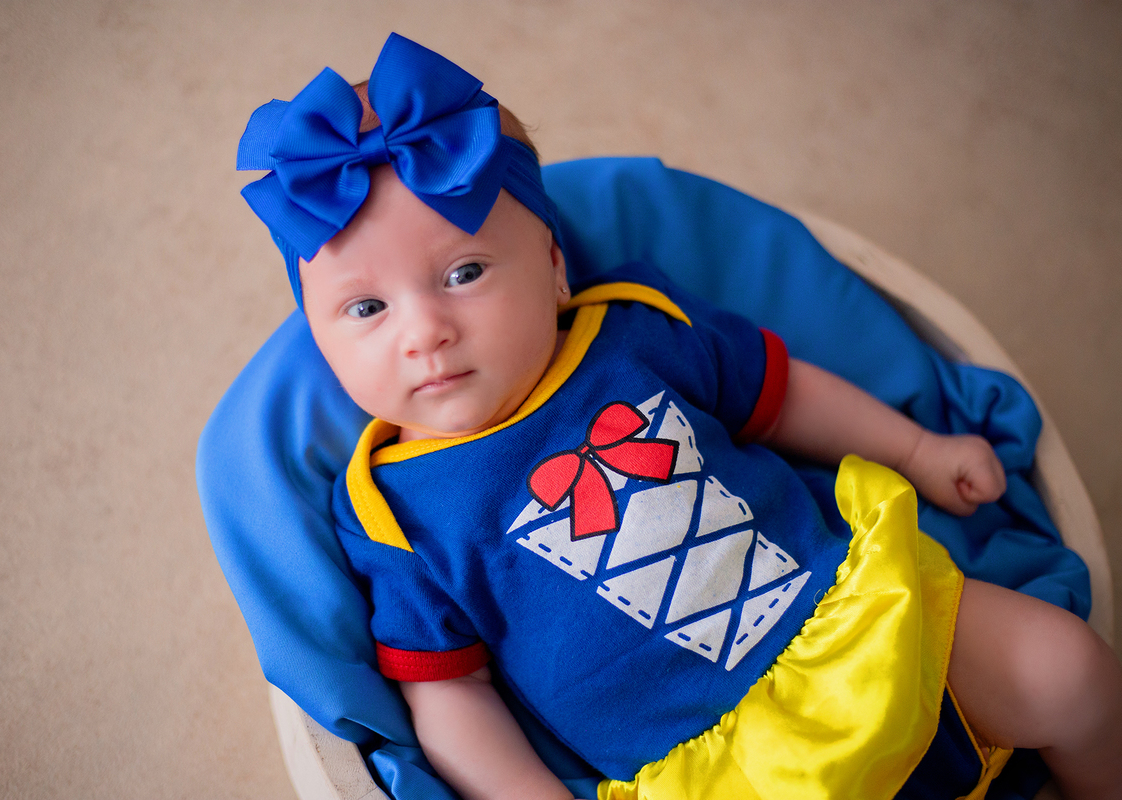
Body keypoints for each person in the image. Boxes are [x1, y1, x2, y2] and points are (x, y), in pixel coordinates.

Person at [236, 33, 1122, 800]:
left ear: (554, 267)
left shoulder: (629, 332)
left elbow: (781, 395)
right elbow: (447, 693)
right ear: (320, 339)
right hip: (712, 768)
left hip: (853, 621)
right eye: (365, 309)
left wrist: (917, 449)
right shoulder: (391, 506)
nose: (424, 331)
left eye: (464, 273)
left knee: (1070, 668)